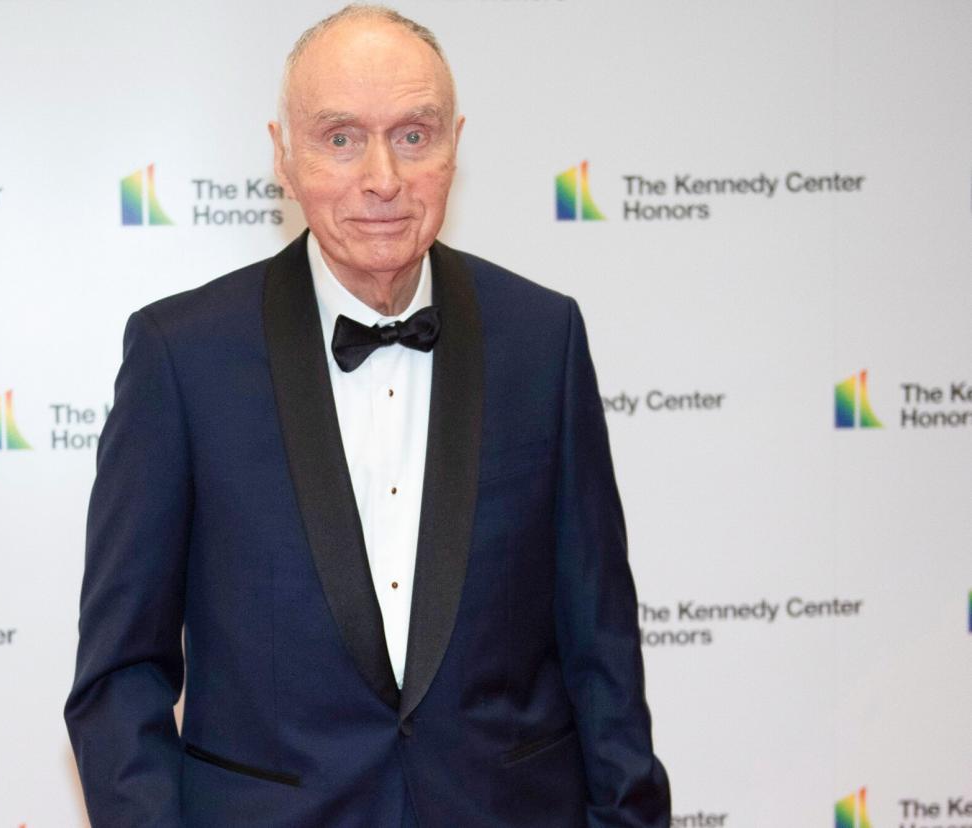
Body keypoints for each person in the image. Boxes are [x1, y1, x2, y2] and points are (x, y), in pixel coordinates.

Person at [65, 5, 670, 826]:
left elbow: (602, 651)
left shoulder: (543, 339)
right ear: (283, 154)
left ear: (455, 144)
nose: (382, 177)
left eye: (413, 136)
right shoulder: (182, 358)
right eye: (341, 137)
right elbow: (120, 677)